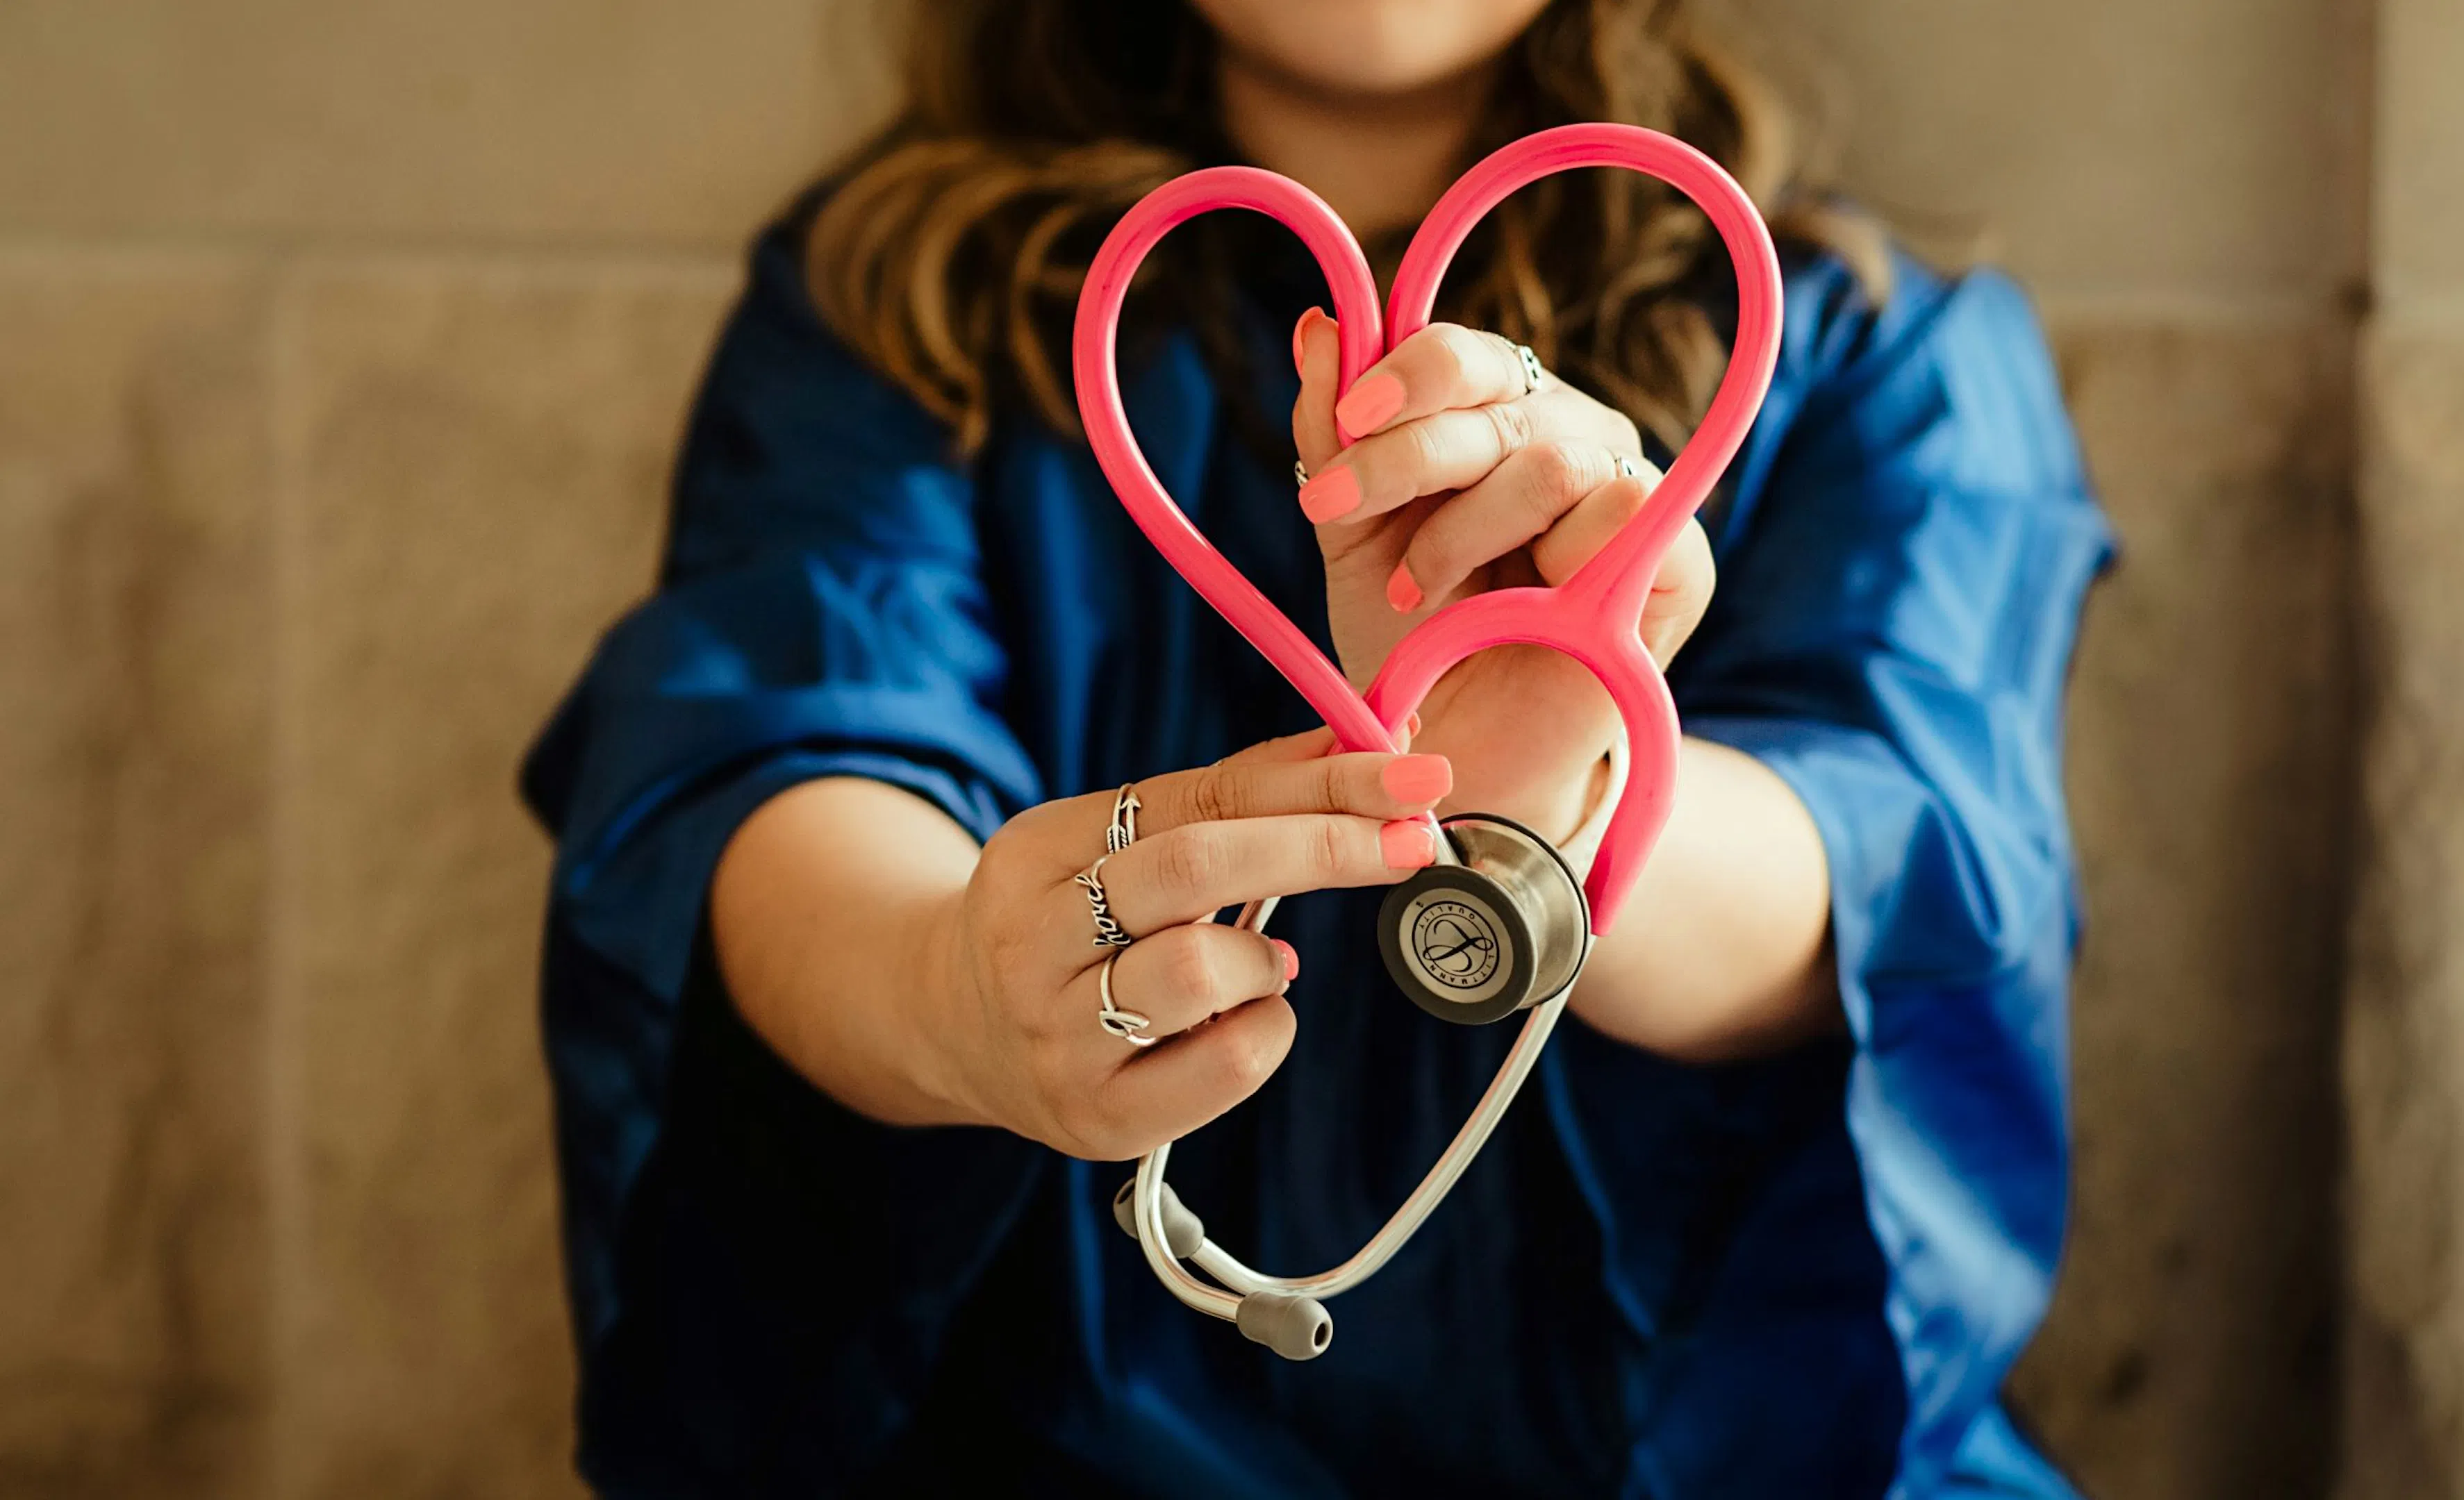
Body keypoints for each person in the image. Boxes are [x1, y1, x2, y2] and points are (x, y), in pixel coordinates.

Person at [522, 0, 2113, 1493]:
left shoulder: (1883, 357)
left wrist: (1557, 800)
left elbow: (1901, 861)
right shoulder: (887, 311)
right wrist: (949, 994)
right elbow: (778, 750)